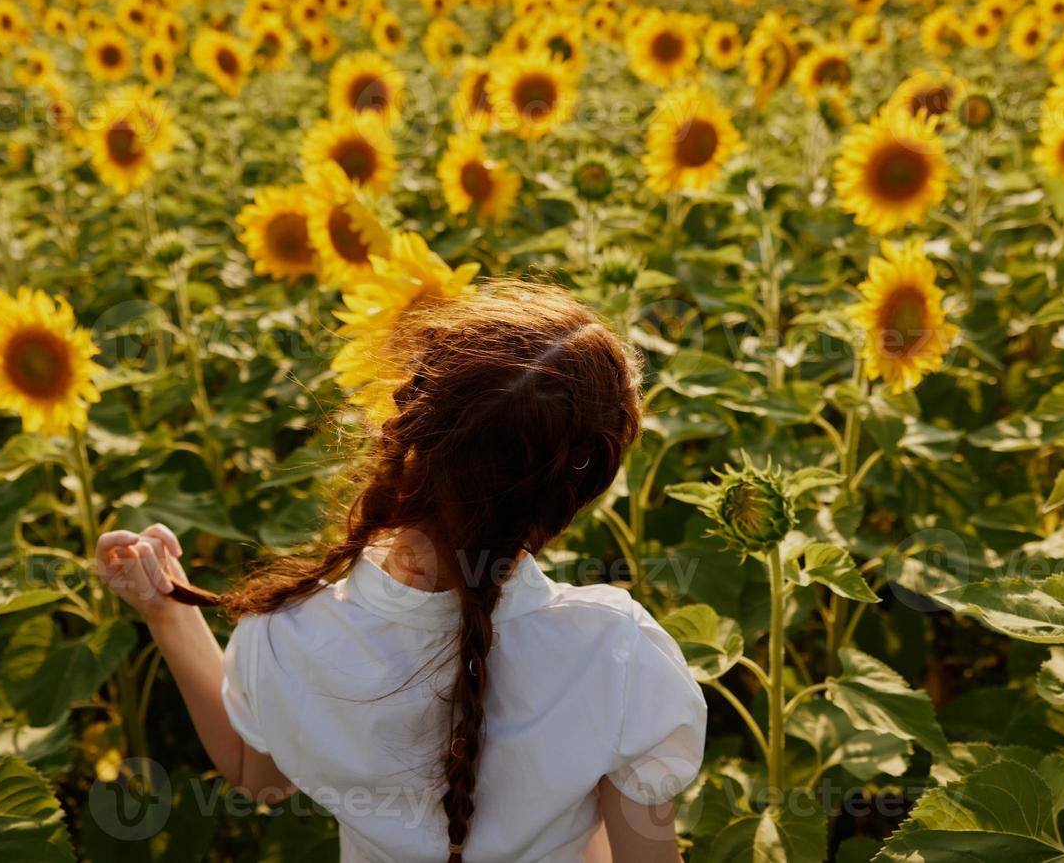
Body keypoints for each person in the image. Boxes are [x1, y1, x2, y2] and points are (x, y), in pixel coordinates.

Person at [96, 280, 707, 862]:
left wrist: (164, 613)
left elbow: (258, 776)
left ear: (406, 425)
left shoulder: (286, 638)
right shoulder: (617, 653)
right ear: (573, 494)